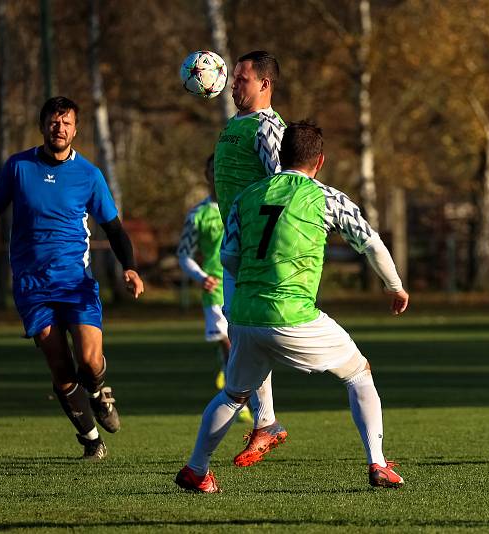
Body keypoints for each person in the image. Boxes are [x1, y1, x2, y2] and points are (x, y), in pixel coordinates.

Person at [175, 121, 409, 493]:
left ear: (280, 156)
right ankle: (378, 464)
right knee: (359, 373)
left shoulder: (246, 197)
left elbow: (229, 259)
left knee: (234, 395)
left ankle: (196, 469)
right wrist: (395, 286)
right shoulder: (327, 197)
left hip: (246, 315)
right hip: (292, 316)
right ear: (320, 160)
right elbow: (371, 244)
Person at [0, 96, 144, 460]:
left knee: (90, 362)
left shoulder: (89, 175)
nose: (59, 128)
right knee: (61, 368)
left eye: (66, 123)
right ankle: (92, 440)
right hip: (32, 286)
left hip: (75, 282)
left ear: (76, 129)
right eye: (53, 121)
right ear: (42, 125)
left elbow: (114, 228)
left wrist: (129, 266)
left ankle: (98, 393)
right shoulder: (18, 167)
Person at [213, 50, 288, 466]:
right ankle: (266, 422)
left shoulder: (267, 129)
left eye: (242, 79)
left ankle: (265, 422)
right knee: (242, 332)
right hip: (235, 246)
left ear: (265, 84)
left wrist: (270, 244)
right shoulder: (236, 124)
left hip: (256, 249)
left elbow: (283, 188)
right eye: (234, 77)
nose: (234, 84)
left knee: (253, 332)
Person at [177, 154, 252, 423]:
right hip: (214, 289)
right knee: (229, 344)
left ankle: (233, 383)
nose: (215, 174)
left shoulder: (242, 205)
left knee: (242, 343)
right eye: (211, 169)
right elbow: (183, 254)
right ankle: (239, 395)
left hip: (243, 284)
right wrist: (200, 276)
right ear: (207, 174)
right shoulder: (198, 214)